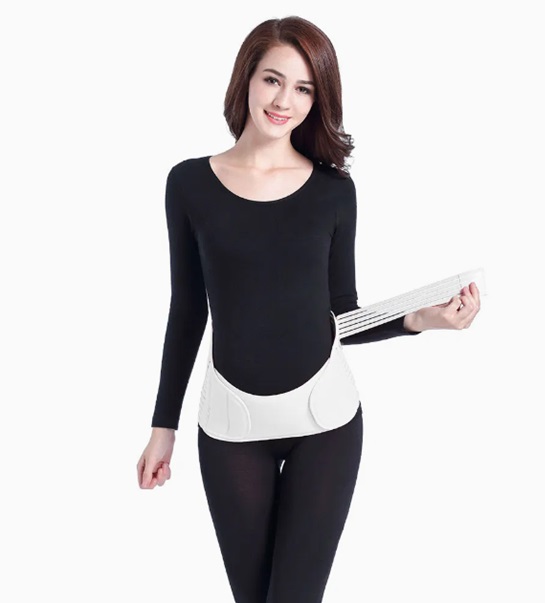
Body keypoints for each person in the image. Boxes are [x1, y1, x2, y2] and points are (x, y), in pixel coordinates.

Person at [136, 15, 481, 603]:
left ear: (318, 98)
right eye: (273, 80)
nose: (284, 102)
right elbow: (188, 308)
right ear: (247, 78)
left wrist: (423, 319)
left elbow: (341, 314)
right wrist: (161, 427)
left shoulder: (333, 191)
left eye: (303, 89)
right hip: (230, 427)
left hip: (325, 424)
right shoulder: (189, 184)